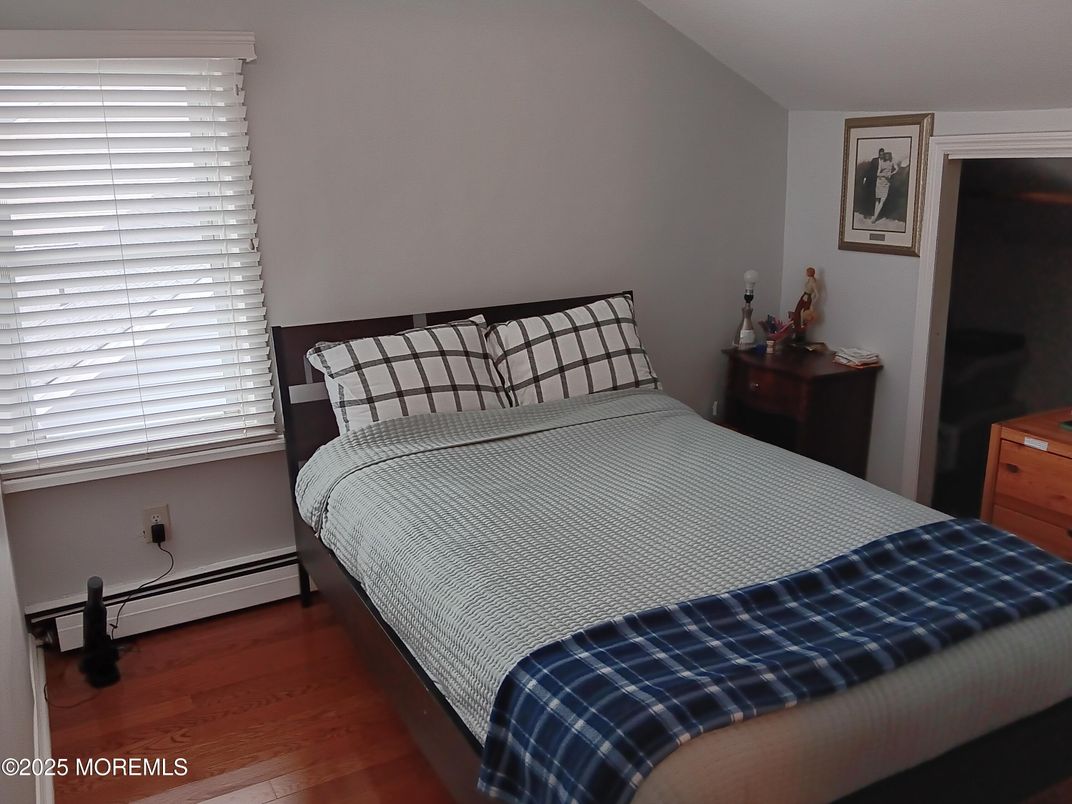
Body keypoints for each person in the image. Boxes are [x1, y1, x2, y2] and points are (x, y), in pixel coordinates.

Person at [872, 149, 899, 223]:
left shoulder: (892, 162)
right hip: (880, 181)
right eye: (885, 156)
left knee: (882, 200)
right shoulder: (881, 162)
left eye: (888, 156)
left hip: (886, 182)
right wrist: (885, 175)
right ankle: (874, 217)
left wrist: (891, 174)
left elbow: (897, 169)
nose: (886, 157)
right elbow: (878, 173)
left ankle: (874, 217)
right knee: (877, 200)